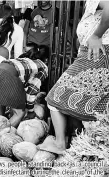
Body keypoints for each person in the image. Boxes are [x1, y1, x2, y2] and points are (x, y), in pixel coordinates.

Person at [41, 0, 109, 155]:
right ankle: (85, 147)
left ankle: (60, 143)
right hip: (91, 55)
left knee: (54, 98)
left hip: (96, 55)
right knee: (95, 109)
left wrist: (96, 35)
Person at [0, 45, 49, 127]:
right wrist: (31, 111)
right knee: (20, 113)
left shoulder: (24, 59)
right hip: (8, 75)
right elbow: (32, 91)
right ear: (46, 59)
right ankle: (0, 133)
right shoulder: (43, 67)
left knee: (1, 102)